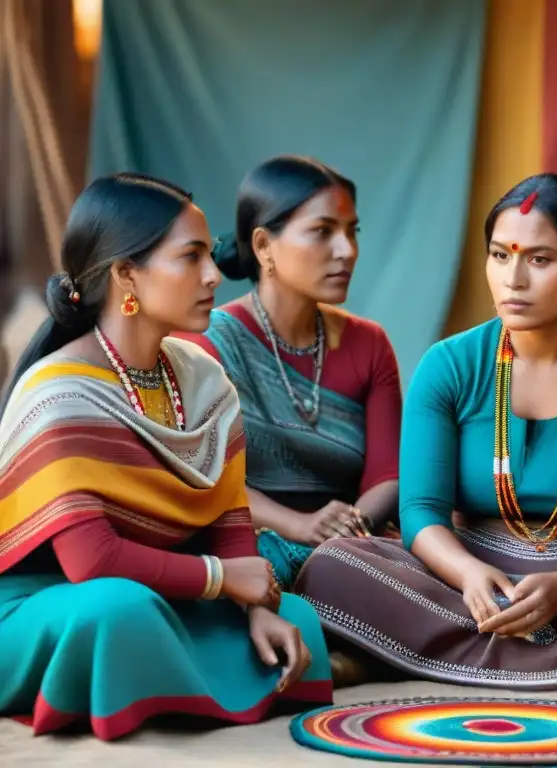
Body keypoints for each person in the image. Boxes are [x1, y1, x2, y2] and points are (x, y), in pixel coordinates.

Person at [294, 174, 557, 691]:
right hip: (465, 570)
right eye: (500, 256)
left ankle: (391, 652)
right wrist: (466, 573)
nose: (513, 279)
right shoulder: (449, 364)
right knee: (335, 565)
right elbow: (420, 514)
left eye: (539, 260)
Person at [0, 174, 332, 741]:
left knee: (293, 616)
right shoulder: (59, 392)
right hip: (53, 600)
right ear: (126, 274)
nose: (213, 274)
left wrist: (256, 604)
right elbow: (92, 562)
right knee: (117, 612)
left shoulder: (203, 378)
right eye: (191, 257)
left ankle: (167, 679)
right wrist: (226, 579)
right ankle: (171, 681)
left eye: (209, 254)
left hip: (160, 588)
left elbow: (228, 520)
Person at [188, 156, 401, 589]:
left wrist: (346, 530)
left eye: (351, 231)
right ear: (264, 245)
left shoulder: (369, 344)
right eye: (323, 232)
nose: (347, 250)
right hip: (247, 544)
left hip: (353, 544)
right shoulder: (211, 344)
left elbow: (389, 475)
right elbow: (203, 475)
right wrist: (298, 525)